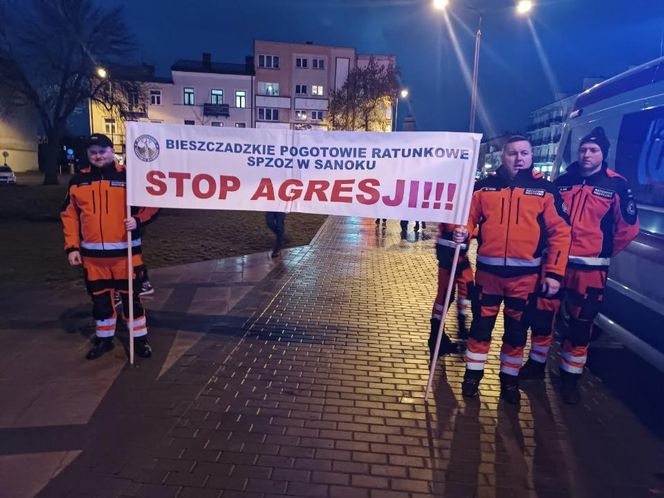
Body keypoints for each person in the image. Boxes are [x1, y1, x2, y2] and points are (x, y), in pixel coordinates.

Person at [520, 127, 639, 404]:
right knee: (542, 318)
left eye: (593, 150)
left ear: (603, 154)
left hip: (591, 270)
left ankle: (570, 378)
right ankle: (536, 365)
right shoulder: (563, 181)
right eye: (583, 149)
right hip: (555, 265)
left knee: (580, 324)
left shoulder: (617, 185)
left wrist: (604, 250)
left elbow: (628, 228)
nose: (587, 154)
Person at [454, 135, 571, 405]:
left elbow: (561, 234)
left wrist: (554, 273)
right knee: (480, 329)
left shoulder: (546, 190)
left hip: (526, 279)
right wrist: (465, 232)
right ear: (502, 156)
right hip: (488, 277)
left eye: (524, 153)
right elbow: (469, 219)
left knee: (516, 333)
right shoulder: (484, 188)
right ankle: (472, 376)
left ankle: (509, 381)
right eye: (513, 153)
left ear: (531, 156)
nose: (519, 158)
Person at [61, 134, 158, 360]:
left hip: (126, 256)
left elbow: (153, 202)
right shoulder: (77, 181)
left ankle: (140, 340)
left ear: (112, 150)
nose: (98, 155)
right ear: (87, 154)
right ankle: (104, 340)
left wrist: (139, 220)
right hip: (93, 259)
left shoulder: (130, 176)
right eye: (93, 151)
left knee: (131, 302)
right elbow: (69, 216)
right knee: (101, 302)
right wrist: (72, 247)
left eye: (102, 151)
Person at [428, 223, 474, 360]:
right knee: (445, 296)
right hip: (451, 254)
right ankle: (437, 337)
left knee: (464, 289)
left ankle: (457, 327)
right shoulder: (459, 208)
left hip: (455, 254)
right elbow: (451, 227)